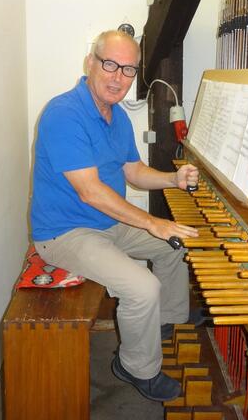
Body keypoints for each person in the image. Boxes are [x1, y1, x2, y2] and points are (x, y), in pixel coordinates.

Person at [30, 30, 200, 402]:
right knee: (142, 287)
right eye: (110, 64)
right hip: (65, 233)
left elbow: (134, 170)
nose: (117, 77)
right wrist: (152, 221)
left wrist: (173, 178)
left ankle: (166, 320)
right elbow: (90, 191)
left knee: (173, 244)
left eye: (128, 69)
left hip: (107, 224)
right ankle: (135, 366)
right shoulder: (63, 114)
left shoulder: (118, 116)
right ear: (90, 63)